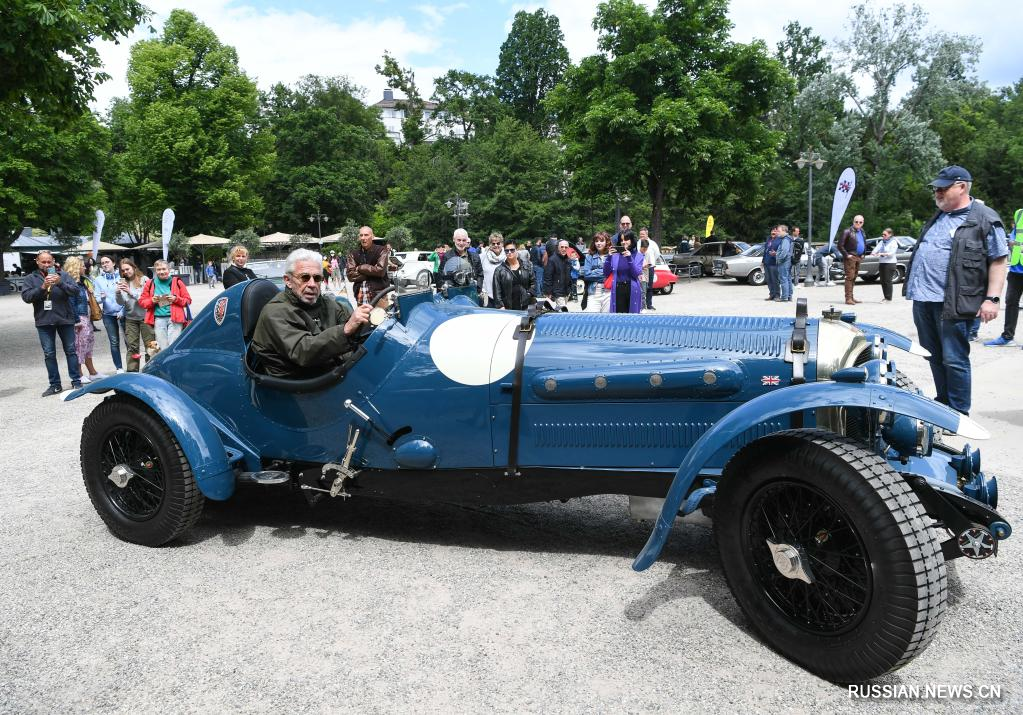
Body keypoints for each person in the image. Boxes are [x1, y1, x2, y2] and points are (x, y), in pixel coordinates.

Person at [903, 165, 1008, 416]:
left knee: (954, 359)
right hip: (923, 299)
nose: (937, 192)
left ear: (961, 187)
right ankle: (943, 403)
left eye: (943, 188)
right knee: (933, 355)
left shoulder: (984, 218)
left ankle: (959, 412)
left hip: (953, 303)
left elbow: (999, 260)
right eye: (936, 188)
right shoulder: (939, 216)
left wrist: (992, 299)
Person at [250, 248, 372, 379]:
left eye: (317, 278)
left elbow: (353, 325)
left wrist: (368, 324)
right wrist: (346, 330)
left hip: (331, 373)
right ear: (288, 281)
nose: (312, 284)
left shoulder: (326, 303)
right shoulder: (275, 313)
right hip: (299, 387)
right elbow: (304, 352)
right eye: (305, 277)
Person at [21, 251, 82, 395]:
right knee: (49, 353)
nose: (47, 265)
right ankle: (55, 384)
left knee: (71, 351)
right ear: (37, 261)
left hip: (65, 319)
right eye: (44, 262)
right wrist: (42, 287)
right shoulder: (31, 278)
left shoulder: (64, 275)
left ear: (53, 261)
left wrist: (60, 283)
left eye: (49, 262)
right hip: (44, 321)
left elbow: (75, 291)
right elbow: (26, 297)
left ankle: (76, 381)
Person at [63, 256, 105, 384]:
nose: (85, 267)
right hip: (78, 318)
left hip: (85, 316)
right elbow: (70, 304)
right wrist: (76, 321)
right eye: (82, 266)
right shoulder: (71, 284)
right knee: (79, 346)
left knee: (88, 345)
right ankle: (79, 373)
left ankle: (92, 372)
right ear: (75, 268)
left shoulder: (83, 282)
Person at [985, 208, 1023, 347]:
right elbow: (1015, 234)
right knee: (1011, 302)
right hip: (1016, 267)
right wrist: (1011, 240)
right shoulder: (1019, 213)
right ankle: (1007, 337)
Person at [139, 259, 192, 350]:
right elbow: (142, 302)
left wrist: (176, 299)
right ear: (155, 271)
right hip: (158, 319)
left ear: (169, 269)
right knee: (162, 348)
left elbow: (188, 300)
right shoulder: (150, 283)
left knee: (174, 347)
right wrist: (152, 300)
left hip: (175, 319)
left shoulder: (177, 282)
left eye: (164, 269)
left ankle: (174, 364)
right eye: (159, 269)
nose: (162, 272)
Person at [117, 259, 156, 372]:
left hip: (146, 317)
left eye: (127, 269)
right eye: (123, 270)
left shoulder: (145, 280)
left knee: (150, 346)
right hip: (130, 318)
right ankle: (132, 372)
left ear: (134, 267)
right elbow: (121, 303)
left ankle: (150, 371)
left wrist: (130, 292)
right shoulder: (123, 282)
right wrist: (117, 293)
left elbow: (147, 300)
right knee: (132, 347)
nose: (125, 272)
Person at [92, 255, 125, 374]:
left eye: (107, 262)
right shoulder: (98, 280)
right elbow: (97, 298)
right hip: (108, 314)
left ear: (114, 263)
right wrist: (101, 298)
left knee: (128, 340)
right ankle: (119, 368)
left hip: (123, 311)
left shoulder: (122, 276)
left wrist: (123, 311)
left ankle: (132, 366)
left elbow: (127, 297)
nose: (105, 264)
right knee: (114, 342)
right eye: (102, 263)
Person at [345, 226, 390, 303]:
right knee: (362, 315)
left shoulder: (381, 250)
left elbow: (380, 271)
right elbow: (350, 276)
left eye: (366, 235)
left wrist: (360, 268)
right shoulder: (353, 253)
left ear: (372, 236)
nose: (363, 238)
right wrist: (373, 271)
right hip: (360, 296)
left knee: (380, 315)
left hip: (379, 295)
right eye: (361, 235)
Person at [604, 230, 644, 313]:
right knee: (618, 317)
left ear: (632, 240)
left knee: (632, 318)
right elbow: (606, 273)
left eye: (626, 239)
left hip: (632, 288)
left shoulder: (639, 256)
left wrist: (629, 258)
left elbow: (636, 274)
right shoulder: (615, 255)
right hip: (618, 288)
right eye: (621, 240)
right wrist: (608, 258)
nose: (623, 242)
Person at [492, 240, 536, 310]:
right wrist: (500, 306)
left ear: (516, 250)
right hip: (508, 307)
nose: (509, 252)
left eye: (512, 250)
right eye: (507, 251)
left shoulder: (527, 266)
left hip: (526, 306)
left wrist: (529, 294)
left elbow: (533, 283)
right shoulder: (499, 270)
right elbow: (496, 291)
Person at [440, 229, 483, 296]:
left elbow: (480, 274)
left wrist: (477, 289)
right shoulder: (447, 256)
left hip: (471, 294)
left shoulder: (475, 256)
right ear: (454, 239)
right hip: (454, 295)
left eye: (464, 240)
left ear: (467, 241)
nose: (461, 243)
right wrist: (446, 289)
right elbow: (441, 276)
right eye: (459, 240)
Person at [839, 215, 867, 304]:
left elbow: (863, 243)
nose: (858, 224)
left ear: (863, 223)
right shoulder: (847, 231)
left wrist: (863, 253)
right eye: (856, 222)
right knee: (850, 277)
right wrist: (847, 255)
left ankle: (851, 297)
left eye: (860, 222)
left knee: (854, 277)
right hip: (851, 257)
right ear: (853, 222)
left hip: (858, 257)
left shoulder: (862, 231)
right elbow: (840, 245)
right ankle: (848, 298)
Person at [580, 232, 611, 311]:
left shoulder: (612, 256)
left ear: (606, 242)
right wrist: (605, 273)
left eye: (601, 241)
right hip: (594, 291)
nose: (598, 243)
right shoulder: (589, 256)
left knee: (606, 319)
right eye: (596, 241)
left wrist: (594, 271)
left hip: (609, 292)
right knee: (592, 318)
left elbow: (613, 273)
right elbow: (587, 275)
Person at [543, 240, 576, 309]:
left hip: (566, 290)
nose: (564, 249)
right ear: (558, 248)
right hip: (557, 291)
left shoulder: (568, 260)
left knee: (559, 311)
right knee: (563, 310)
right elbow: (548, 276)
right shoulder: (552, 259)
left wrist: (570, 288)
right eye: (562, 247)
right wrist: (548, 292)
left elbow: (569, 275)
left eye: (566, 247)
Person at [871, 227, 899, 302]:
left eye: (885, 235)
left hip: (890, 263)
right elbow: (875, 249)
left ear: (890, 235)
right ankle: (885, 297)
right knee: (882, 281)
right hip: (882, 263)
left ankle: (888, 298)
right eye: (882, 234)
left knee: (887, 281)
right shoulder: (882, 242)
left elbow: (891, 254)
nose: (883, 236)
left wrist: (881, 253)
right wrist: (874, 253)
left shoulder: (893, 242)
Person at [480, 231, 506, 307]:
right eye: (493, 243)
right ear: (489, 244)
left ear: (502, 244)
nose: (496, 245)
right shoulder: (482, 257)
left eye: (498, 243)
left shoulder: (507, 257)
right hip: (487, 297)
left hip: (504, 298)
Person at [638, 227, 661, 310]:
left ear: (647, 234)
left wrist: (651, 261)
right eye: (640, 234)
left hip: (650, 267)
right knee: (641, 287)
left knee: (649, 286)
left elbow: (657, 254)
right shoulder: (638, 243)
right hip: (640, 268)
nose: (641, 236)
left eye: (643, 234)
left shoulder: (653, 243)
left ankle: (649, 304)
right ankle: (641, 305)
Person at [775, 225, 793, 302]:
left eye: (779, 231)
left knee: (783, 279)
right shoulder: (788, 239)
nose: (777, 233)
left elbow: (784, 252)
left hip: (784, 262)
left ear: (784, 231)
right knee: (788, 279)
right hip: (787, 262)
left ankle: (784, 297)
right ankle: (789, 296)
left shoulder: (785, 240)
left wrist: (779, 259)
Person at [763, 227, 780, 301]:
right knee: (768, 280)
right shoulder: (768, 239)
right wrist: (763, 261)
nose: (773, 232)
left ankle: (777, 295)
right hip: (766, 262)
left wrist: (776, 254)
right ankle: (771, 294)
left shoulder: (779, 240)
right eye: (772, 231)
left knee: (775, 280)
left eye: (775, 231)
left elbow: (780, 252)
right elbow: (765, 250)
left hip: (774, 263)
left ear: (778, 232)